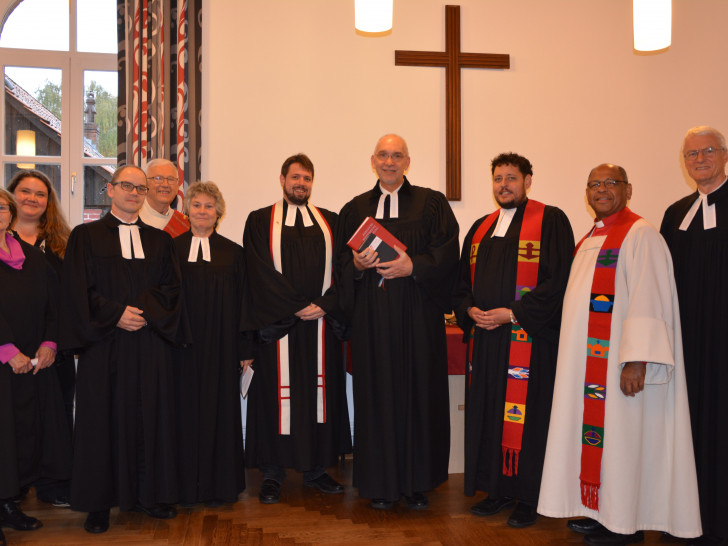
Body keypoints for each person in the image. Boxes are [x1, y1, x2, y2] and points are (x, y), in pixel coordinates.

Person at [538, 164, 701, 545]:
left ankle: (624, 524)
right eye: (594, 184)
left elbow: (650, 298)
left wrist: (637, 359)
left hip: (620, 367)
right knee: (602, 443)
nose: (601, 190)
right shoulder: (591, 238)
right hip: (588, 367)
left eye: (610, 183)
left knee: (625, 442)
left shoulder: (640, 234)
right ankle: (601, 511)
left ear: (629, 189)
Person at [334, 134, 459, 510]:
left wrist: (414, 266)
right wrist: (355, 266)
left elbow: (449, 253)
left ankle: (417, 482)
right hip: (372, 321)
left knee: (420, 393)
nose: (390, 162)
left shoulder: (433, 203)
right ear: (373, 161)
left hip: (418, 318)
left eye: (397, 156)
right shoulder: (355, 208)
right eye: (383, 155)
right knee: (376, 396)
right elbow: (339, 266)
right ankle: (379, 484)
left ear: (408, 161)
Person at [60, 165, 184, 534]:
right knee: (101, 422)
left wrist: (143, 313)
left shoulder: (160, 241)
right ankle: (99, 504)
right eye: (127, 186)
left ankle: (150, 495)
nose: (134, 193)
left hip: (148, 345)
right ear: (110, 190)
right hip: (105, 345)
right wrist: (116, 315)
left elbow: (172, 290)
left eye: (140, 188)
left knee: (151, 418)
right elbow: (77, 290)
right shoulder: (85, 236)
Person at [453, 153, 573, 527]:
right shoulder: (480, 227)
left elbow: (559, 281)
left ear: (528, 180)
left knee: (529, 416)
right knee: (489, 410)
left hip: (529, 341)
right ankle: (496, 489)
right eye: (498, 179)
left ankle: (529, 495)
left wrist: (514, 313)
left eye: (511, 178)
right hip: (487, 342)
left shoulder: (549, 220)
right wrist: (469, 310)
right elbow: (460, 284)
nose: (503, 185)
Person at [243, 153, 351, 504]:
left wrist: (325, 304)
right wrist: (296, 305)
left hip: (320, 326)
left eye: (306, 178)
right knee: (275, 399)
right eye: (295, 177)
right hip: (279, 328)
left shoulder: (331, 222)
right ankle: (272, 472)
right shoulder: (260, 221)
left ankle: (317, 469)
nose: (300, 183)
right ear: (282, 179)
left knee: (319, 397)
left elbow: (347, 272)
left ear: (312, 182)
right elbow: (258, 272)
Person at [660, 126, 728, 546]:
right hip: (685, 341)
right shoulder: (675, 212)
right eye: (690, 154)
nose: (699, 159)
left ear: (723, 155)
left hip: (722, 341)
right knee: (685, 429)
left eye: (707, 151)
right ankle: (685, 519)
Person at [173, 181, 253, 506]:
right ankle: (182, 486)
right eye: (196, 205)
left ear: (218, 212)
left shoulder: (234, 253)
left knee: (220, 413)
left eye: (209, 205)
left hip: (222, 349)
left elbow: (246, 302)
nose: (202, 211)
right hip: (182, 349)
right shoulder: (172, 250)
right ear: (187, 211)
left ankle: (220, 486)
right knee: (182, 414)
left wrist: (246, 348)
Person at [0, 188, 72, 538]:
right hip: (5, 360)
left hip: (32, 363)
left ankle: (8, 503)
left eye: (3, 207)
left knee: (23, 436)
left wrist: (49, 343)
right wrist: (6, 350)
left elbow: (52, 305)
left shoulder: (33, 257)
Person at [139, 158, 190, 237]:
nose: (165, 185)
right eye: (158, 178)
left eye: (171, 179)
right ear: (145, 183)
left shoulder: (184, 224)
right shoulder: (133, 218)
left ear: (177, 186)